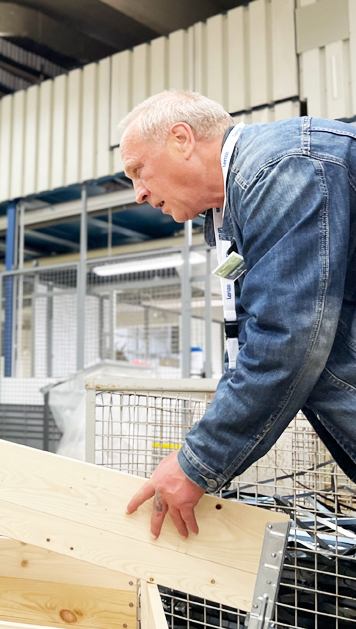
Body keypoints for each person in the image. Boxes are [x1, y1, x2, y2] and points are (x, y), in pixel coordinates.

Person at [119, 90, 356, 539]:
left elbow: (288, 343)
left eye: (138, 170)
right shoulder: (246, 206)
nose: (139, 193)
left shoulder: (281, 170)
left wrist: (196, 462)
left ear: (181, 139)